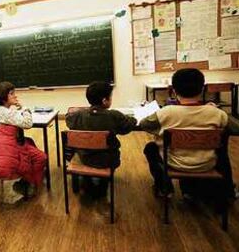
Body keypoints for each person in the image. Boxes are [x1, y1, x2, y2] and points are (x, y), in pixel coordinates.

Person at [139, 68, 236, 199]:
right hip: (207, 163)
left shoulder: (166, 112)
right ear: (202, 89)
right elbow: (234, 129)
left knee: (150, 148)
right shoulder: (217, 114)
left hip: (174, 162)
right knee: (222, 150)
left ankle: (165, 187)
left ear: (173, 90)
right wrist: (211, 109)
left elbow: (144, 124)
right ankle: (226, 190)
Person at [0, 82, 47, 203]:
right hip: (10, 148)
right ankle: (27, 183)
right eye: (11, 93)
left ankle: (27, 180)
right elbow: (27, 124)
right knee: (40, 157)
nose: (15, 96)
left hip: (1, 147)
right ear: (3, 96)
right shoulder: (7, 112)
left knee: (31, 146)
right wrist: (24, 108)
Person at [65, 81, 137, 197]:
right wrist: (132, 119)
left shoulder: (78, 116)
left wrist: (82, 111)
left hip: (85, 157)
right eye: (110, 97)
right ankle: (104, 182)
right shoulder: (114, 116)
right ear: (104, 101)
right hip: (108, 160)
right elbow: (127, 127)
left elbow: (68, 119)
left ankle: (87, 180)